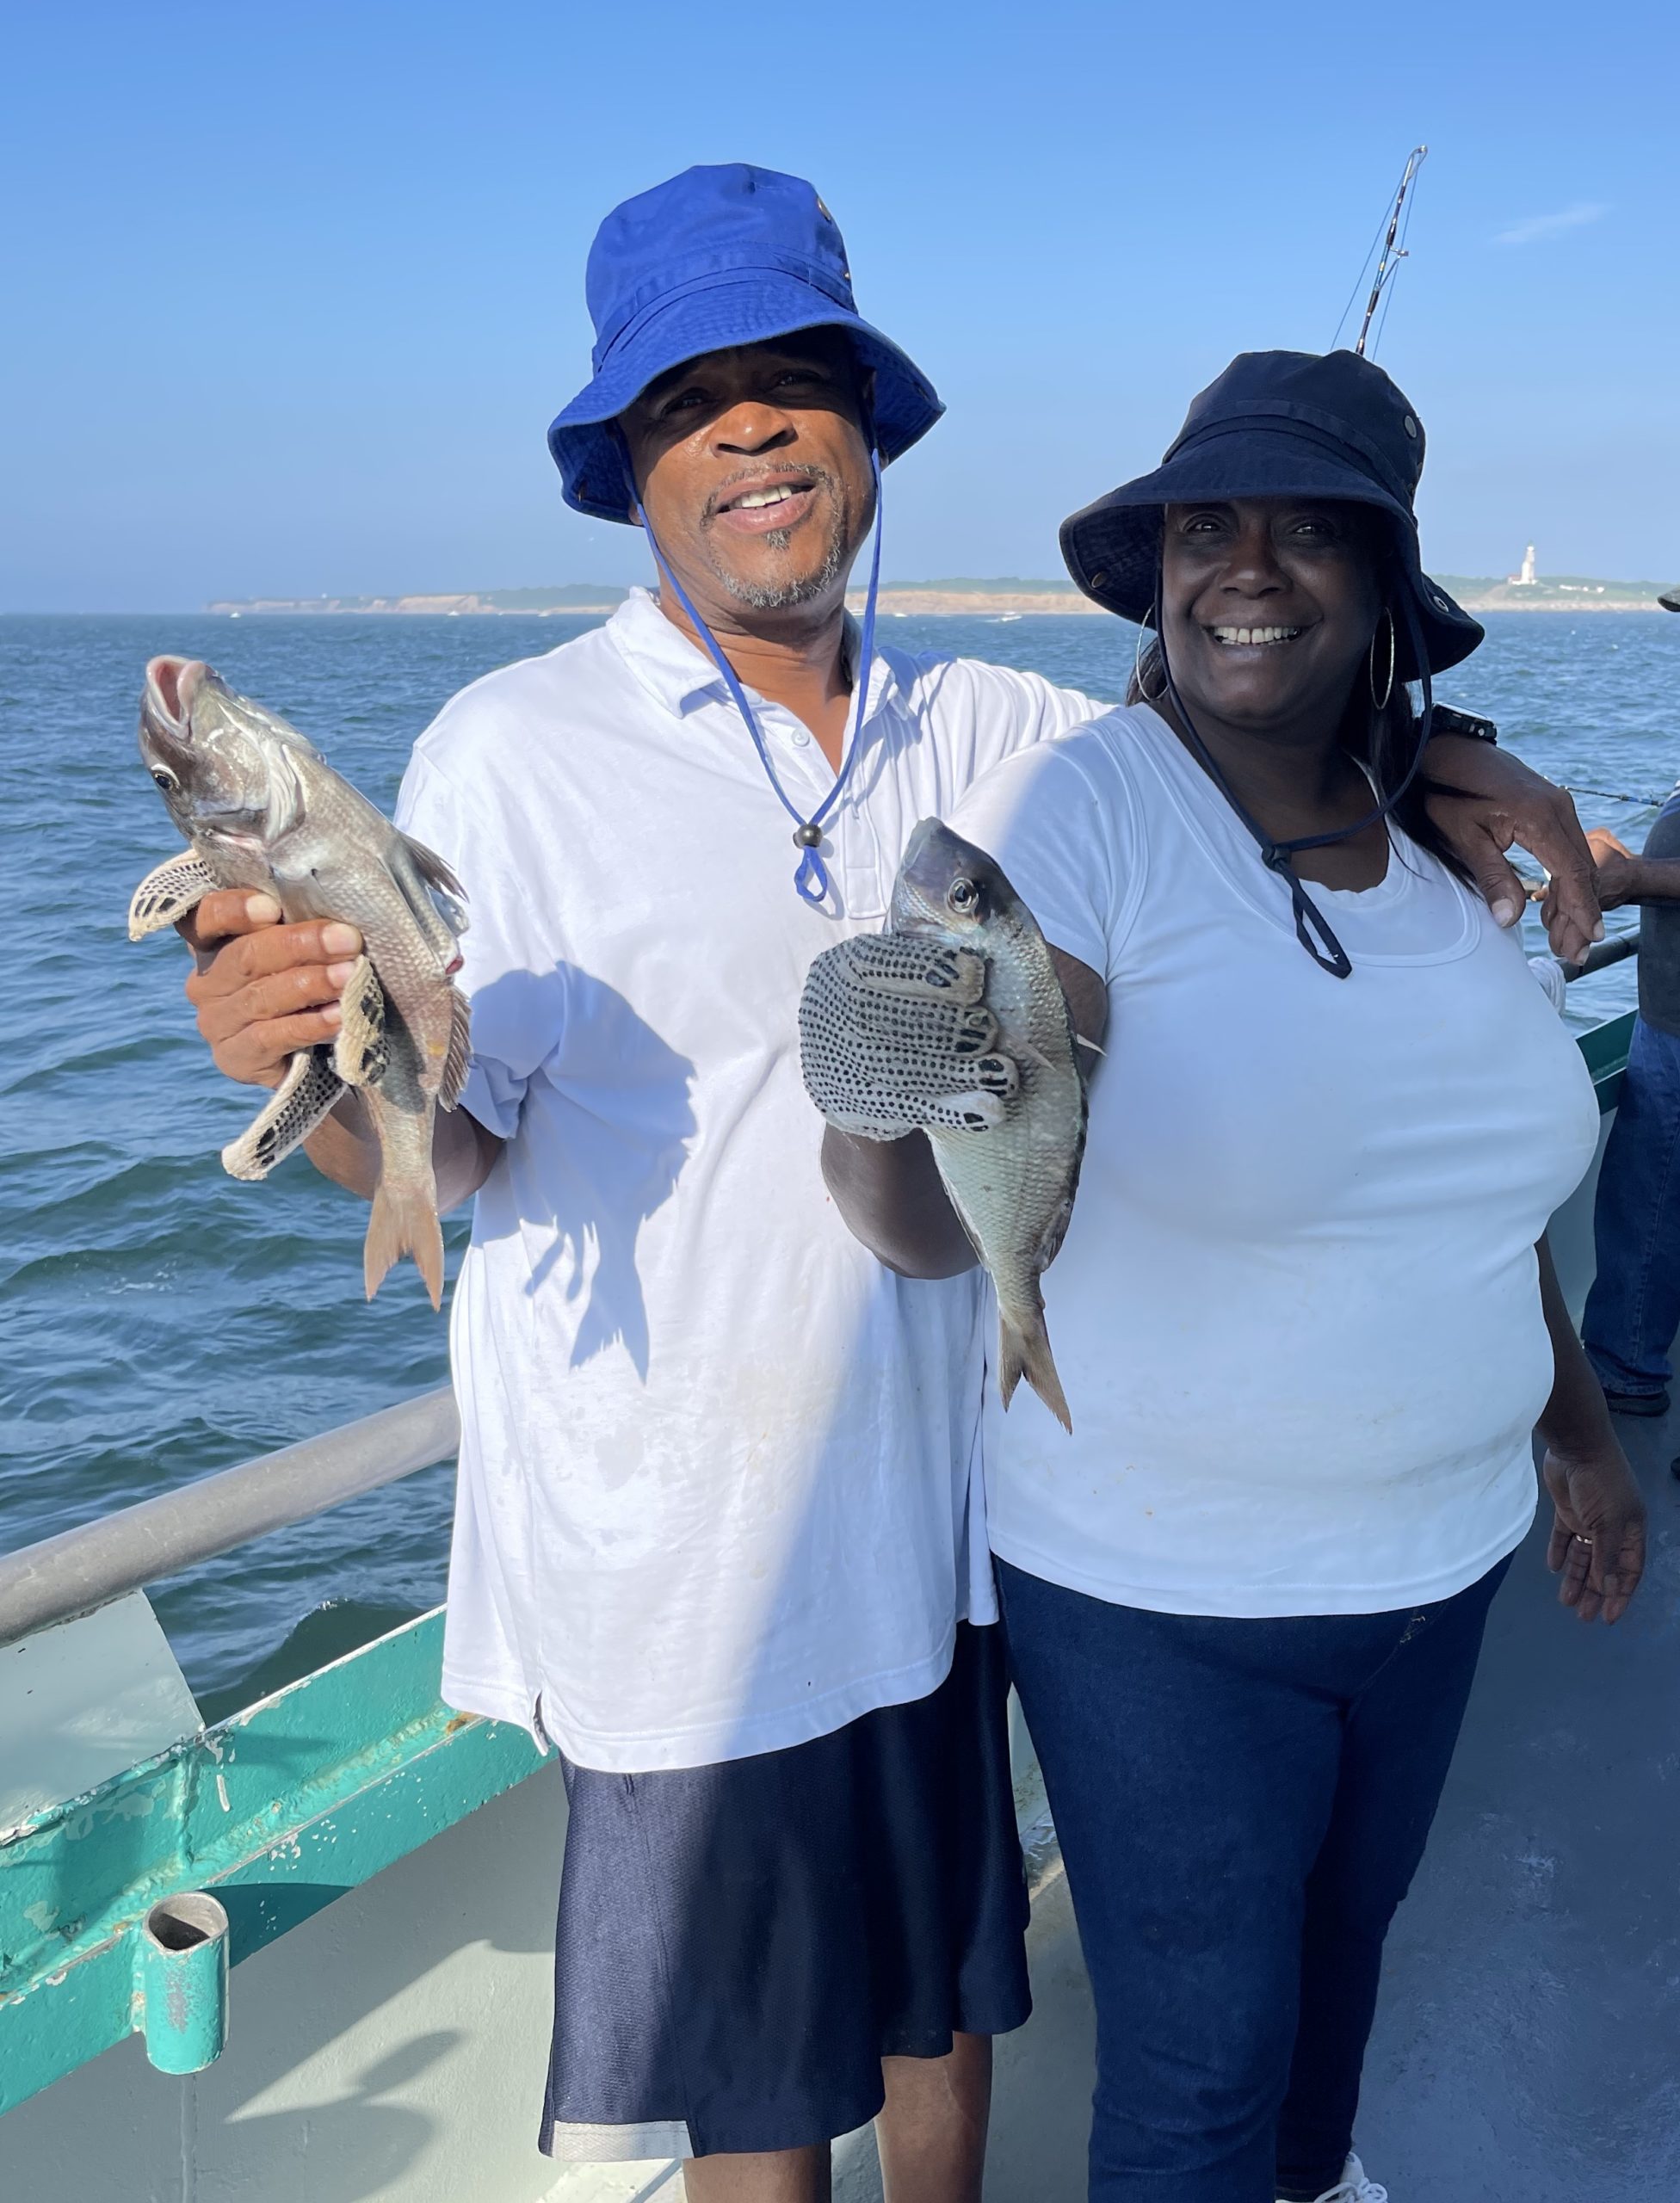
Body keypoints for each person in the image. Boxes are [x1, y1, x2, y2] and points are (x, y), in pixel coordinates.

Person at [171, 164, 1606, 2200]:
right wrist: (318, 1066)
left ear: (866, 436)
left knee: (945, 2029)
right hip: (698, 1560)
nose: (750, 427)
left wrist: (1452, 750)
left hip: (944, 1521)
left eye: (794, 383)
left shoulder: (996, 724)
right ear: (630, 470)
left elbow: (1251, 706)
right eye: (690, 399)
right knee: (759, 2109)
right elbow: (456, 1141)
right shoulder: (511, 749)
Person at [808, 349, 1647, 2203]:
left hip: (1436, 1566)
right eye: (1204, 527)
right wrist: (882, 1092)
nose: (1243, 566)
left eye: (1304, 528)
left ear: (1382, 592)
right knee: (1196, 2074)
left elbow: (1473, 1202)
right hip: (1166, 1594)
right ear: (1154, 570)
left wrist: (1576, 1432)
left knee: (1338, 1985)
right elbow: (933, 1217)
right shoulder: (1083, 814)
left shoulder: (1444, 843)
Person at [1580, 813, 1680, 1416]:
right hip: (1663, 1019)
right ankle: (1624, 1364)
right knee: (1642, 1204)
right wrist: (1598, 855)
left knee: (1646, 1204)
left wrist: (1636, 876)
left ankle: (1625, 1367)